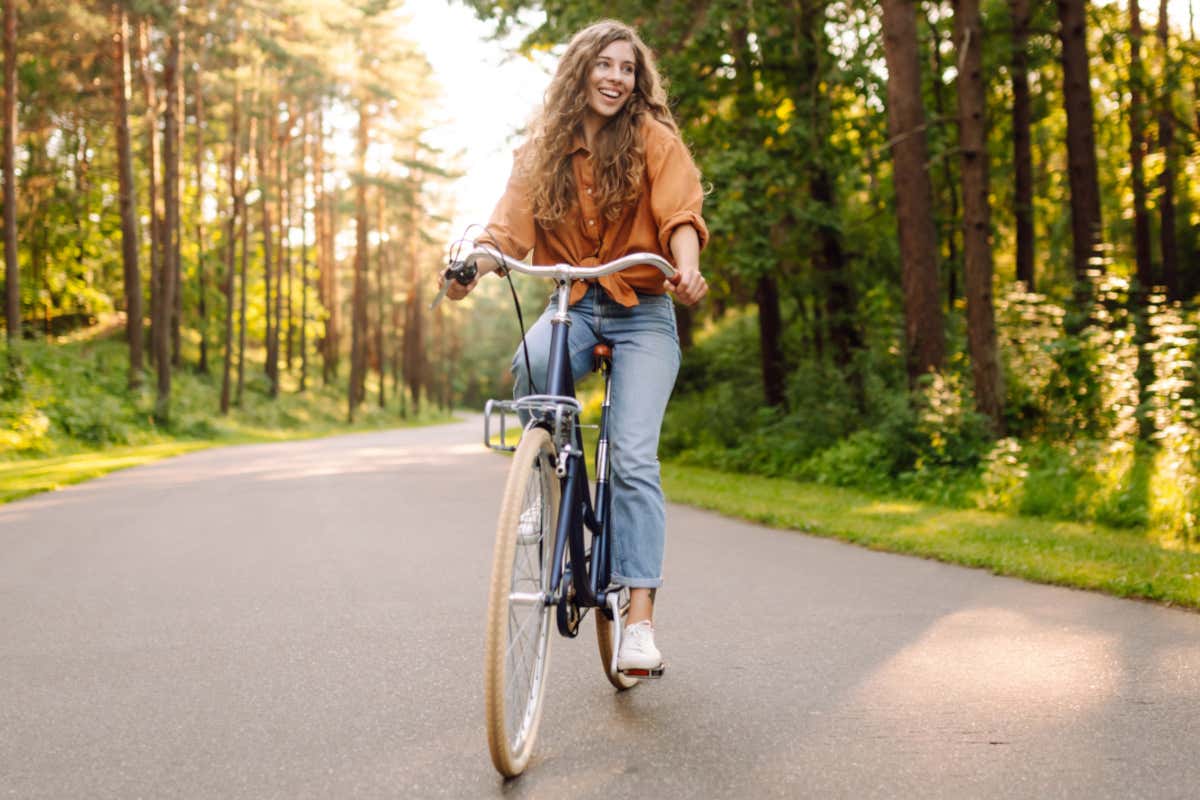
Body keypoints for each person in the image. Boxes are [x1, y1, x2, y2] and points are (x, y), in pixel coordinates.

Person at [443, 19, 708, 674]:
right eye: (604, 64)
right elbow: (507, 234)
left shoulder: (653, 139)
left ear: (637, 80)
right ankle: (547, 483)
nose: (616, 78)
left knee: (634, 457)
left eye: (627, 68)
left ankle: (638, 624)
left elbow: (681, 213)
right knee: (532, 364)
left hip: (644, 310)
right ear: (580, 70)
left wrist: (687, 266)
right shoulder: (543, 150)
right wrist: (472, 268)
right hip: (574, 303)